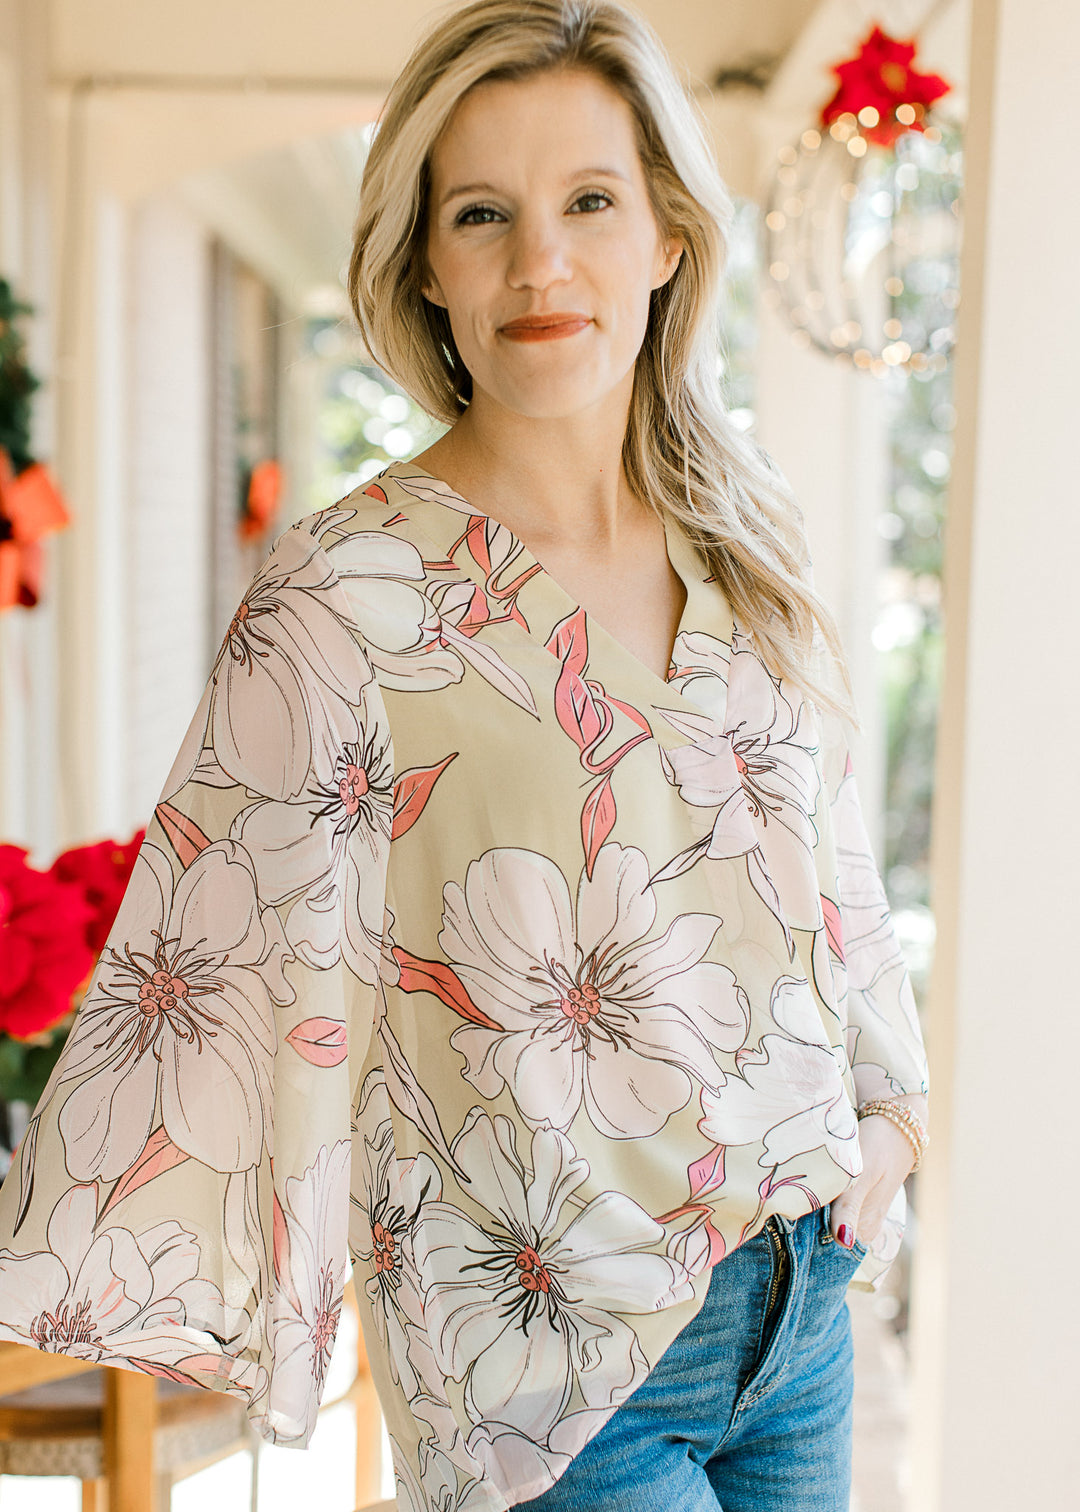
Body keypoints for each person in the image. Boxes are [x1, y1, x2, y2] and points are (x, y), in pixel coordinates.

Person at [0, 2, 929, 1509]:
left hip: (798, 1297)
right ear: (427, 263)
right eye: (483, 214)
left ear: (669, 236)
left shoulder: (742, 529)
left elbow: (822, 854)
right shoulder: (345, 595)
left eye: (589, 202)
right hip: (549, 1373)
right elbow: (222, 951)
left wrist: (891, 1112)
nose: (539, 263)